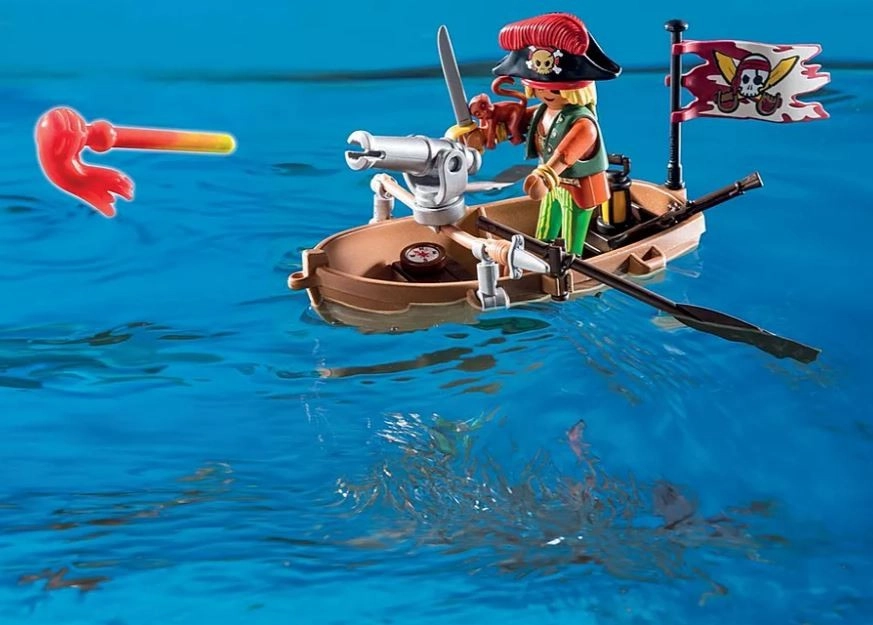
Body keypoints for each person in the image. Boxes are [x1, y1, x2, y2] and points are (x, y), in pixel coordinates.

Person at [463, 13, 622, 255]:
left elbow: (566, 154)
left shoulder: (584, 124)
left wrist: (546, 176)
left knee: (572, 236)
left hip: (577, 186)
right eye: (539, 88)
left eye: (555, 90)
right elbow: (518, 125)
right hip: (550, 184)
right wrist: (484, 137)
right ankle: (539, 253)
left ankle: (572, 262)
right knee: (546, 226)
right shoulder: (543, 111)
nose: (547, 94)